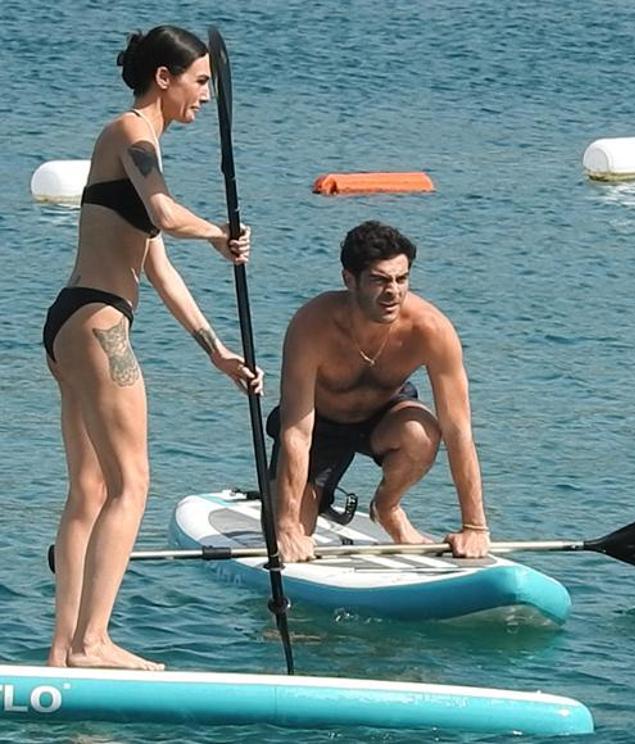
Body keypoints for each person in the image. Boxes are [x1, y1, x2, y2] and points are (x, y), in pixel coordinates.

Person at [44, 26, 262, 671]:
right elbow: (166, 215)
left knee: (89, 490)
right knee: (131, 483)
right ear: (164, 79)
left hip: (72, 322)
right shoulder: (131, 132)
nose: (205, 96)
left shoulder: (138, 151)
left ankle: (62, 650)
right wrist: (218, 234)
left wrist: (216, 352)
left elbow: (159, 269)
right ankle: (92, 642)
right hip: (97, 324)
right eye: (199, 82)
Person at [269, 220, 490, 563]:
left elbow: (458, 429)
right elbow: (297, 432)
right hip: (320, 427)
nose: (393, 292)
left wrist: (474, 526)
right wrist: (286, 528)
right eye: (379, 280)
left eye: (401, 279)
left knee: (421, 433)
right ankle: (301, 502)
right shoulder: (312, 326)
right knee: (290, 531)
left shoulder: (431, 329)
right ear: (349, 279)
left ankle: (387, 507)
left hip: (383, 418)